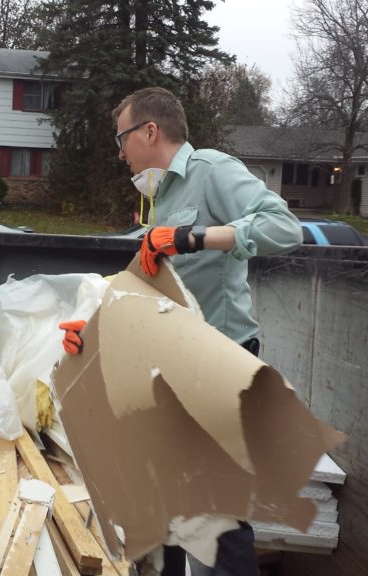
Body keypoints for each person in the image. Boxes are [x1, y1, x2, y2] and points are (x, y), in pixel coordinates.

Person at [60, 87, 302, 576]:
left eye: (122, 138)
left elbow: (285, 227)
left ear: (150, 131)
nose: (120, 151)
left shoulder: (211, 171)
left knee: (217, 520)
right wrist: (91, 327)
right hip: (171, 369)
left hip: (220, 364)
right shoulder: (158, 200)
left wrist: (194, 237)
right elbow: (146, 282)